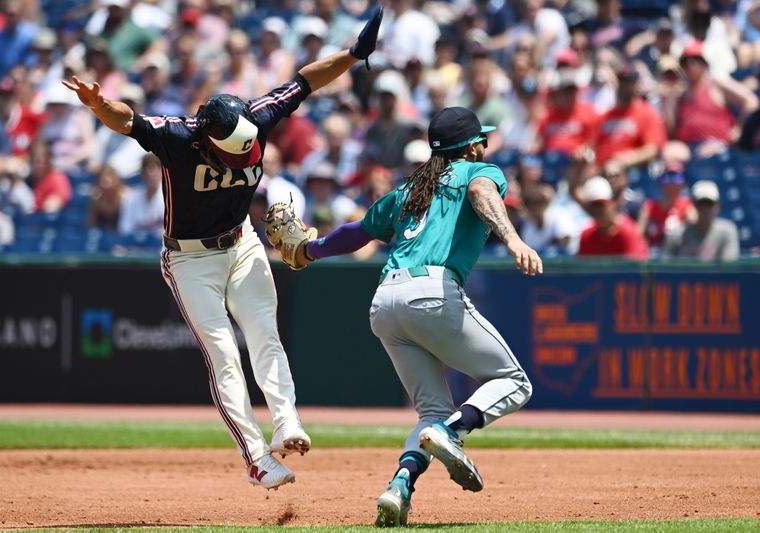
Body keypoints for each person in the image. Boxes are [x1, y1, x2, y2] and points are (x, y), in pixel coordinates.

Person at [61, 6, 384, 491]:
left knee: (264, 335)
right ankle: (256, 458)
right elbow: (128, 120)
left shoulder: (255, 117)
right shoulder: (177, 136)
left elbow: (305, 81)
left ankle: (287, 422)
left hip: (242, 241)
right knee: (223, 354)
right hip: (189, 258)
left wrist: (354, 54)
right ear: (209, 141)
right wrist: (97, 105)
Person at [283, 107, 541, 526]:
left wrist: (309, 250)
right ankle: (452, 433)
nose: (485, 147)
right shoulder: (480, 171)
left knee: (430, 411)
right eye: (483, 140)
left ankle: (399, 487)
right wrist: (512, 239)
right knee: (513, 382)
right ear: (471, 146)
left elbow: (358, 232)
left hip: (385, 301)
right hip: (432, 292)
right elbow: (480, 193)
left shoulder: (408, 189)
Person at [663, 180, 740, 261]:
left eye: (709, 204)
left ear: (717, 206)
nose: (705, 209)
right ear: (693, 205)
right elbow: (666, 266)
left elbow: (729, 267)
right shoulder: (676, 234)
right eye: (701, 203)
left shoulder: (727, 231)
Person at [578, 176, 648, 259]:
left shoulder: (628, 232)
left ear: (612, 204)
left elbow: (635, 268)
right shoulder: (587, 235)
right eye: (594, 206)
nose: (598, 211)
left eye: (602, 205)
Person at [117, 153, 164, 237]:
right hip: (137, 246)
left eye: (154, 169)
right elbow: (124, 228)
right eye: (147, 170)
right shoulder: (132, 198)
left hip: (162, 245)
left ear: (161, 171)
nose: (151, 174)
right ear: (142, 174)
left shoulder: (171, 196)